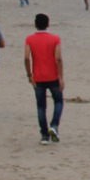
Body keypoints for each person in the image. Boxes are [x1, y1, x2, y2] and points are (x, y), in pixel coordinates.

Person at [24, 13, 64, 145]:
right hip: (53, 76)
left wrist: (29, 75)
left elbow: (26, 57)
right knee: (58, 101)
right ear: (48, 24)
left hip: (38, 77)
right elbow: (58, 58)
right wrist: (61, 77)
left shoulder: (29, 39)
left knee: (41, 106)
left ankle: (44, 135)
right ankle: (54, 125)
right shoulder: (55, 39)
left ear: (36, 25)